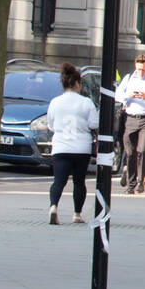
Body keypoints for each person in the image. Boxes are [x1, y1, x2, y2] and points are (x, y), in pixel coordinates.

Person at [46, 63, 99, 225]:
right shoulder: (86, 102)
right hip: (81, 147)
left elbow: (51, 125)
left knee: (59, 181)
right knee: (79, 181)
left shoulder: (55, 102)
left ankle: (53, 206)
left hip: (61, 146)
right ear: (77, 83)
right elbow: (94, 124)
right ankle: (77, 214)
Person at [117, 53, 145, 194]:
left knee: (142, 150)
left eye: (143, 69)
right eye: (138, 69)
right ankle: (130, 185)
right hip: (131, 118)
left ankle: (140, 181)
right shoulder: (129, 79)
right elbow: (118, 96)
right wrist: (128, 96)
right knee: (130, 153)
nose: (140, 72)